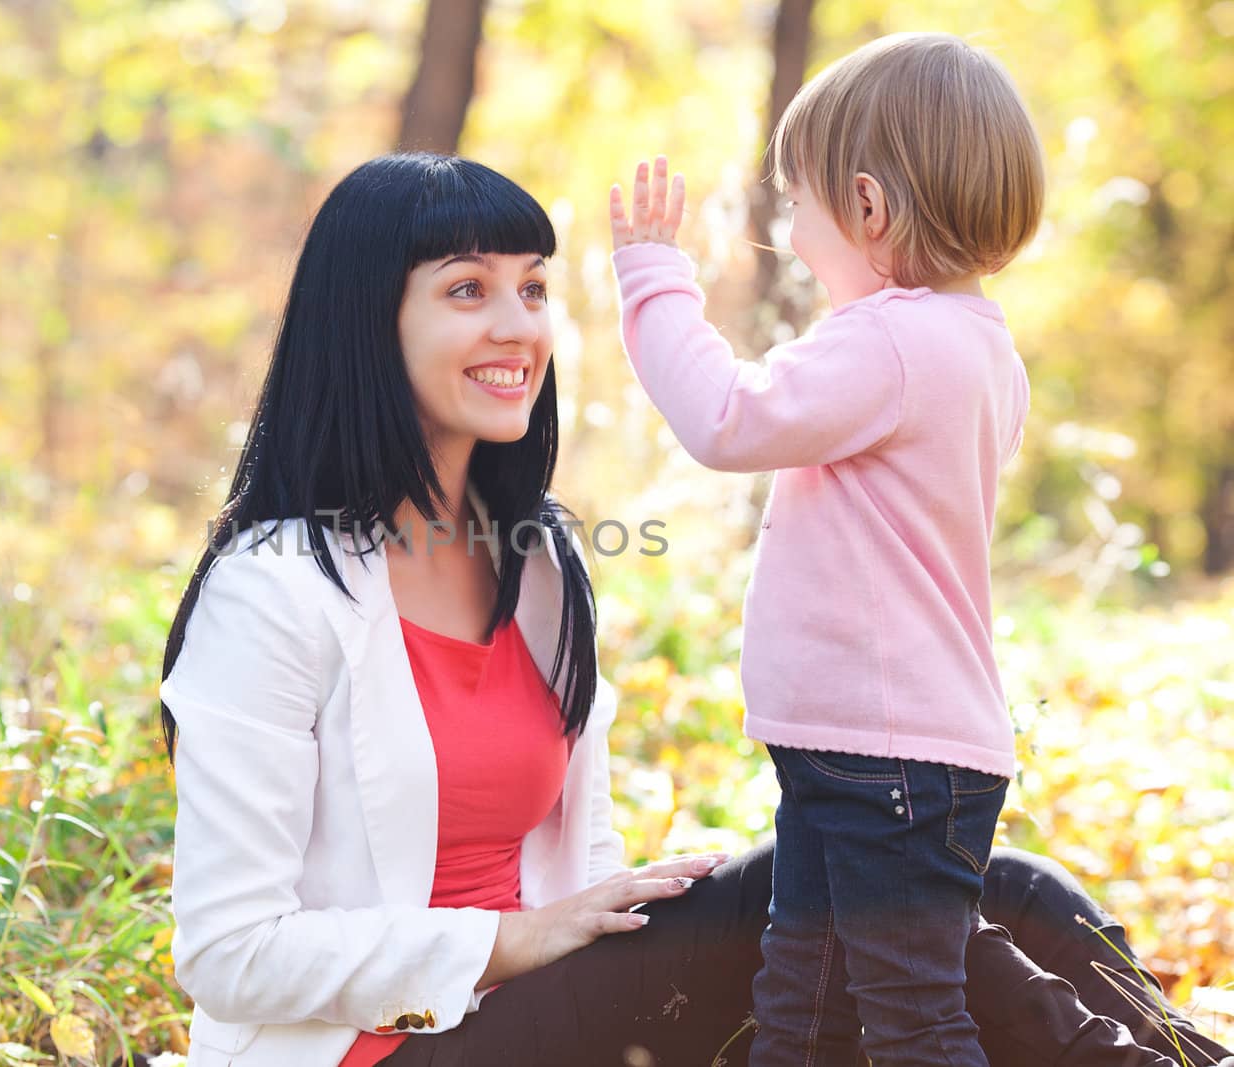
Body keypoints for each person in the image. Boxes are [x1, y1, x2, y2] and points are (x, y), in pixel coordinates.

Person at [159, 151, 1233, 1067]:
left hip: (550, 1010)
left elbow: (587, 868)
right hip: (382, 1043)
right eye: (466, 290)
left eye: (533, 289)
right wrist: (510, 940)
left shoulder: (535, 560)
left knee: (1000, 883)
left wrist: (636, 907)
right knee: (874, 882)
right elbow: (229, 949)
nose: (517, 325)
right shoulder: (275, 588)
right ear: (366, 320)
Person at [610, 33, 1044, 1066]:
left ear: (867, 207)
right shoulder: (980, 348)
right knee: (803, 1005)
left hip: (884, 759)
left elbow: (725, 419)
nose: (791, 237)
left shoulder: (892, 339)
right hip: (870, 755)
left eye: (795, 207)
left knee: (907, 1019)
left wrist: (653, 284)